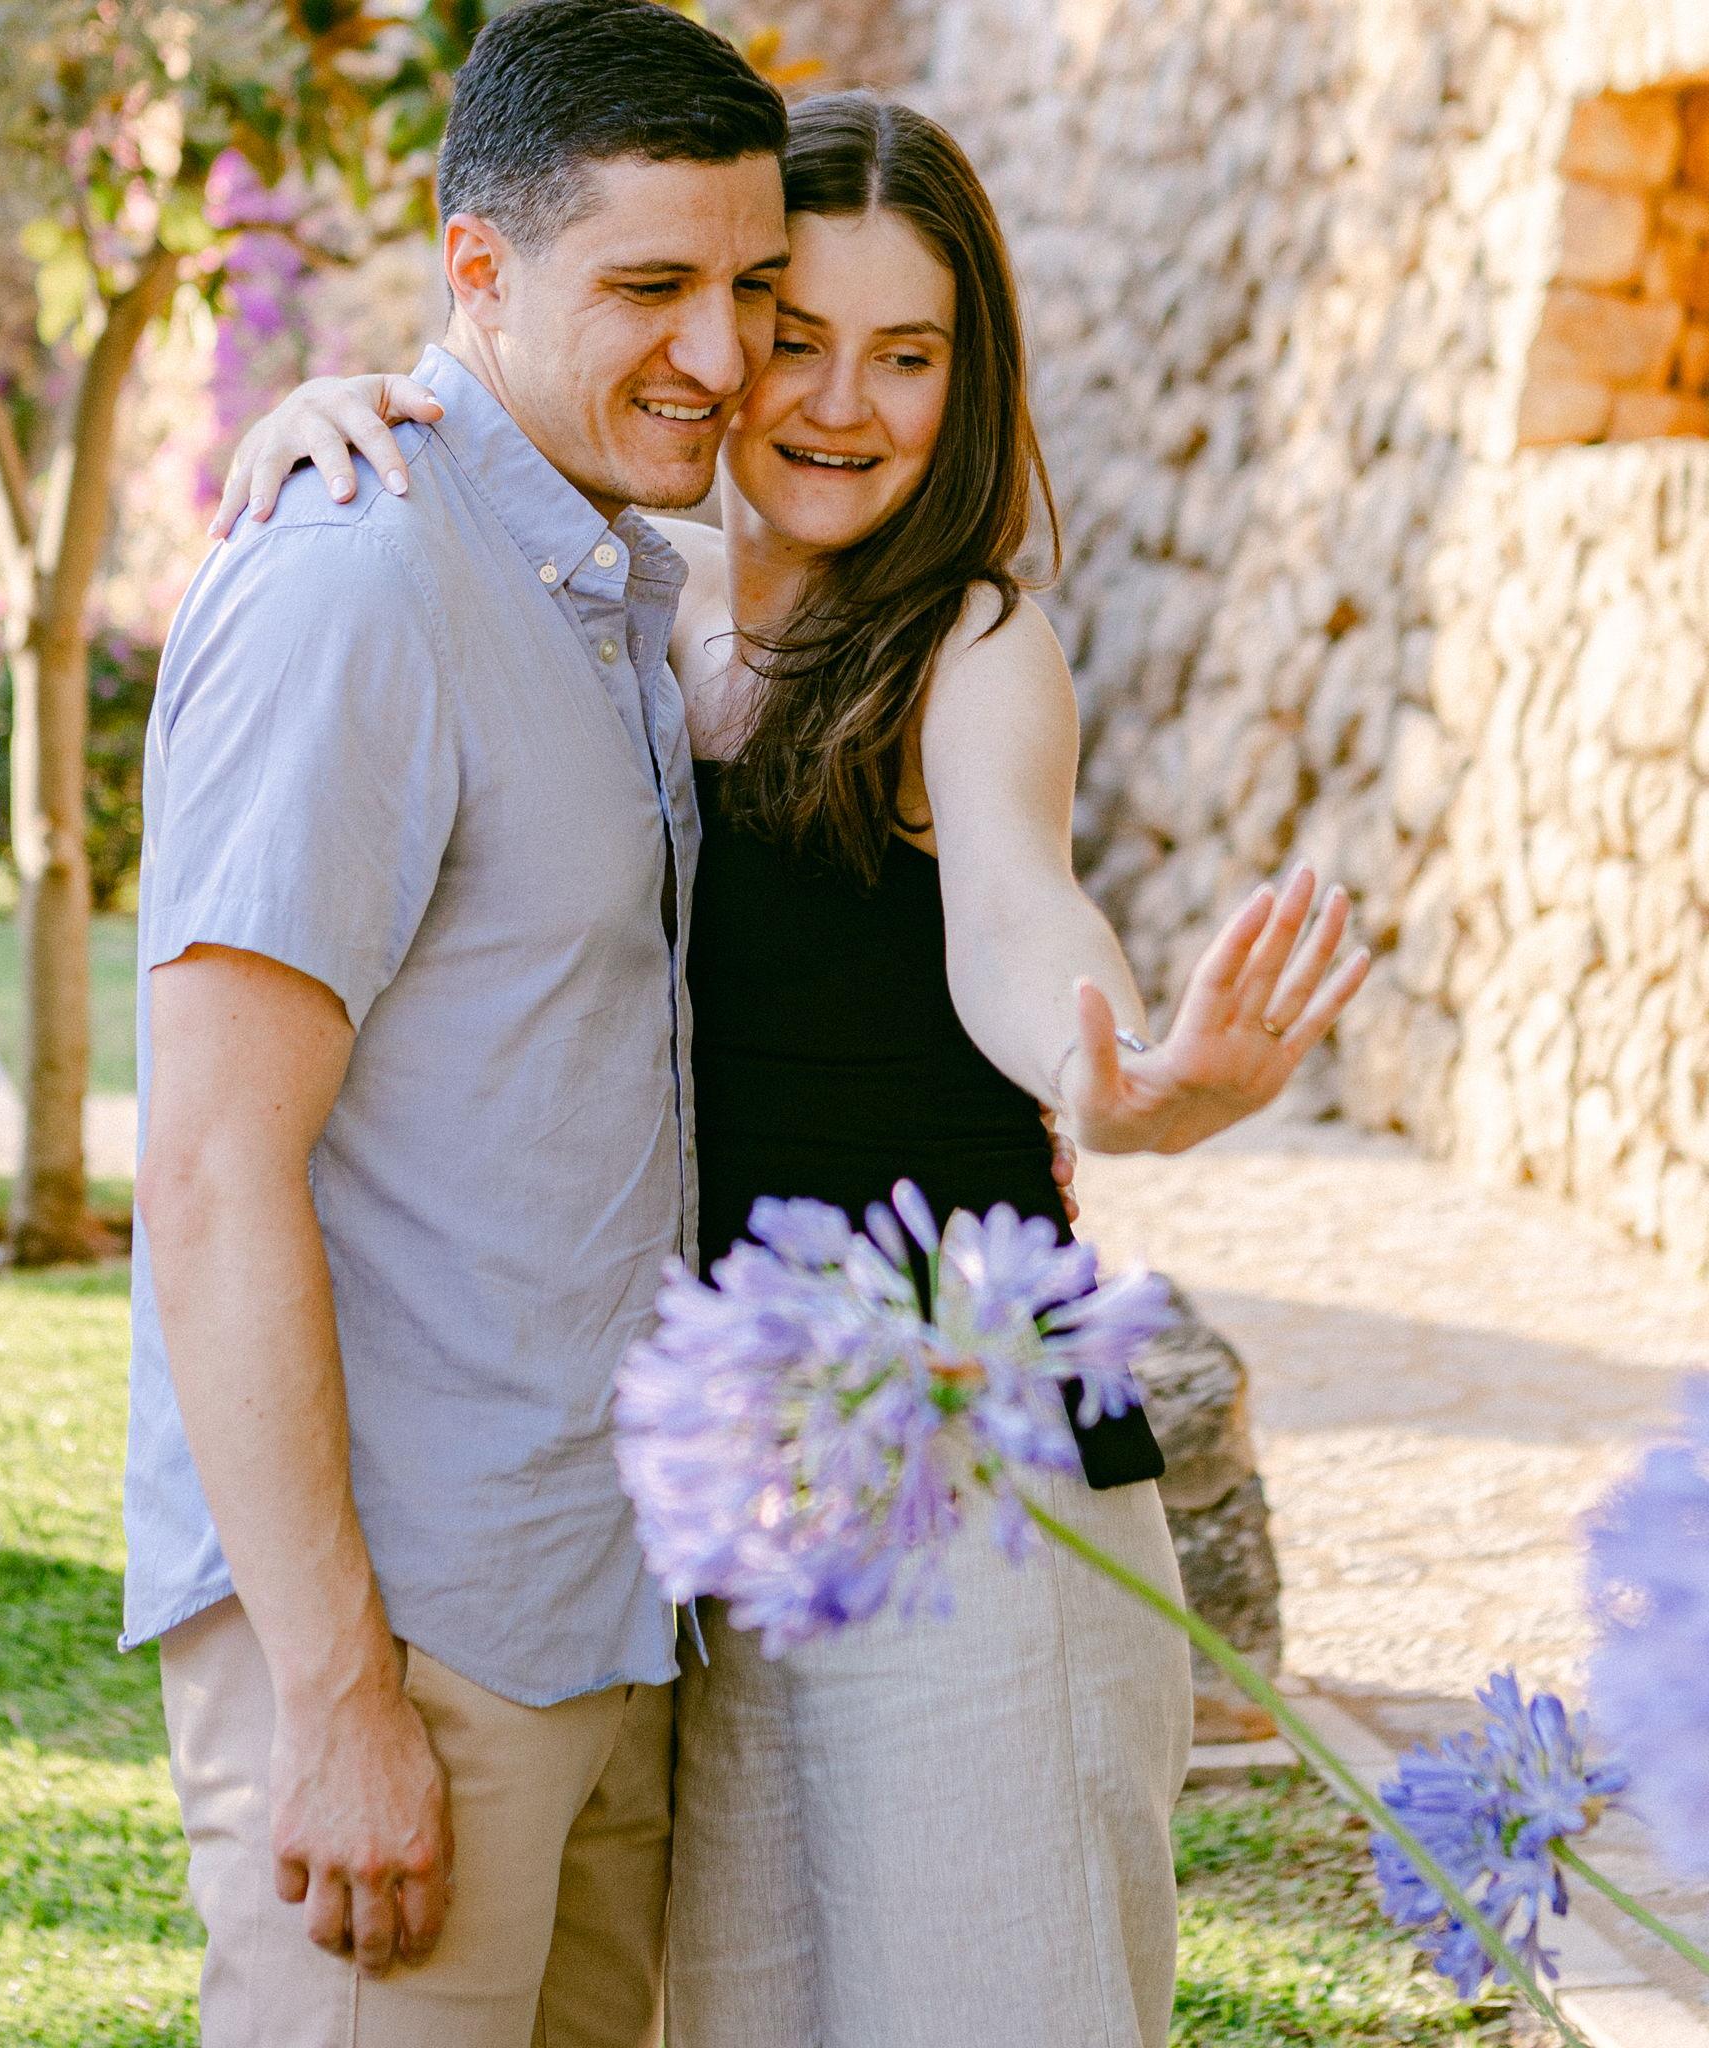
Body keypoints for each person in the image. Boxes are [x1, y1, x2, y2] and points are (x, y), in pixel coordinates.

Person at [212, 86, 1371, 2048]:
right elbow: (472, 437)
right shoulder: (631, 616)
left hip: (974, 1495)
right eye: (794, 330)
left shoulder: (970, 644)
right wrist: (322, 411)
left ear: (970, 378)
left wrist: (1113, 1071)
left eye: (907, 354)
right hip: (734, 1520)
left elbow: (1016, 906)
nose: (840, 402)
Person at [124, 5, 790, 2045]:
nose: (722, 355)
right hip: (399, 1649)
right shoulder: (359, 582)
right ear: (477, 271)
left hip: (597, 1612)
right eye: (650, 287)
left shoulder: (599, 579)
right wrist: (337, 1697)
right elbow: (209, 1165)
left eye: (752, 286)